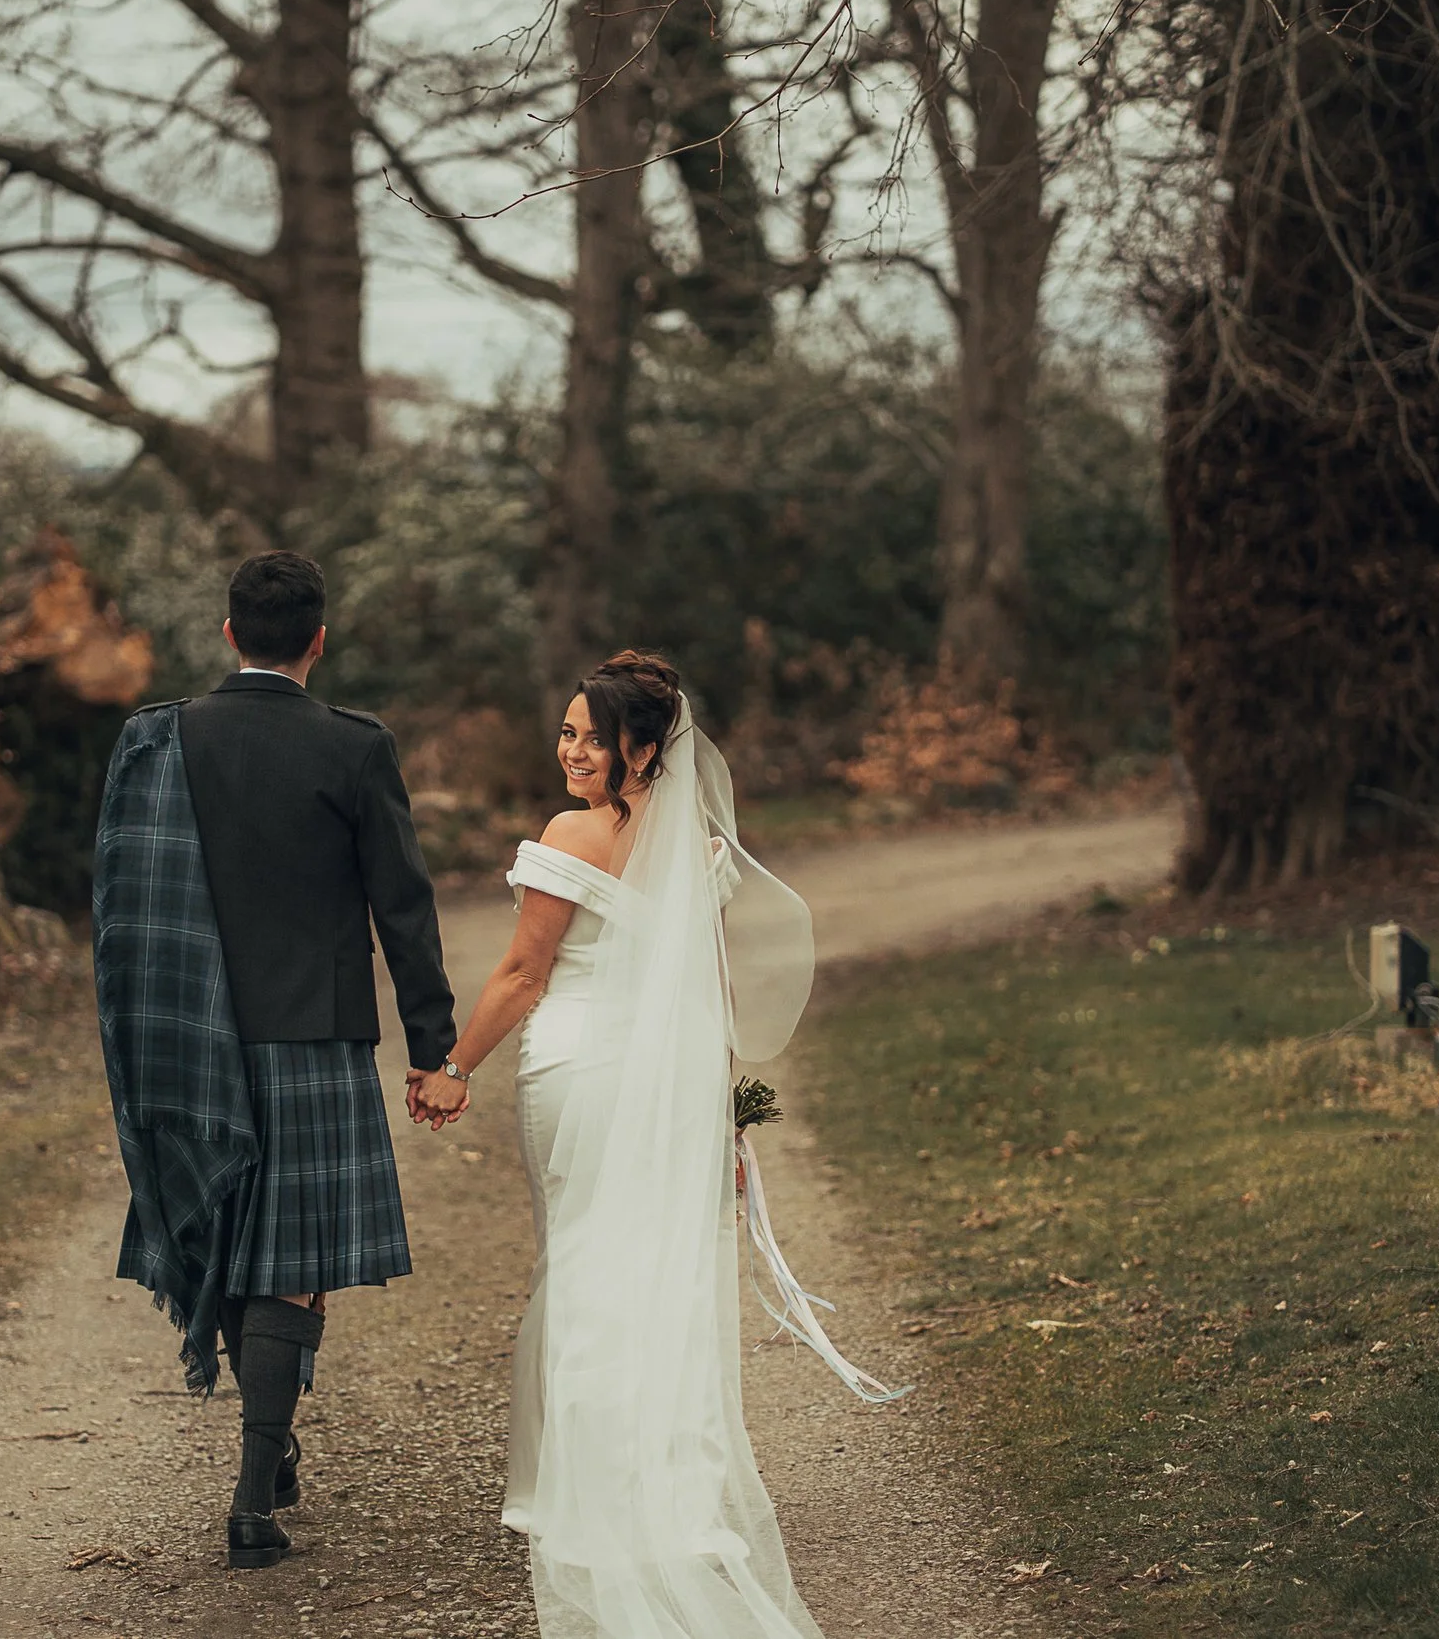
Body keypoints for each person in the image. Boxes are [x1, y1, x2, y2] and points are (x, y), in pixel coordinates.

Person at [414, 651, 898, 1638]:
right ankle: (654, 1477)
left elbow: (520, 971)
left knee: (582, 1267)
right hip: (664, 1077)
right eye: (565, 731)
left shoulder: (569, 834)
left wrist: (454, 1066)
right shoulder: (697, 848)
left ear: (643, 746)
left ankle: (592, 1488)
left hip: (577, 1067)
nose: (572, 749)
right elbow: (706, 990)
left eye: (592, 735)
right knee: (643, 1273)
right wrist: (715, 1107)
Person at [93, 549, 456, 1572]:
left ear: (226, 633)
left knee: (242, 1243)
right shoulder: (354, 747)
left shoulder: (157, 741)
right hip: (315, 1033)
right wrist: (435, 1047)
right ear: (318, 639)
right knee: (291, 1261)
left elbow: (125, 909)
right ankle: (255, 1492)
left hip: (191, 1037)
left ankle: (271, 1450)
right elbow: (404, 906)